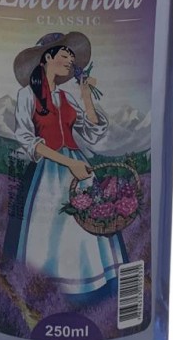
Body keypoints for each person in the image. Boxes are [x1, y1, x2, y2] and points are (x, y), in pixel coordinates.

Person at [9, 31, 127, 296]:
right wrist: (68, 164)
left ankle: (92, 289)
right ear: (46, 58)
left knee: (87, 223)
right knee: (52, 227)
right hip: (49, 171)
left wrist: (86, 96)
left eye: (72, 58)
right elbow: (26, 138)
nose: (71, 62)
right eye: (65, 56)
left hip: (79, 166)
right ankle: (48, 291)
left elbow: (93, 133)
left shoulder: (67, 97)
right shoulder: (27, 95)